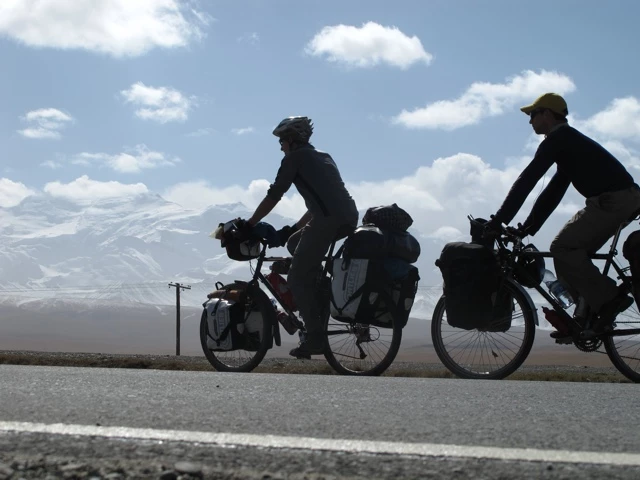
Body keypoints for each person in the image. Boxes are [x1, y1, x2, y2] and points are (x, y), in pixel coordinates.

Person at [488, 93, 640, 336]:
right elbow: (553, 192)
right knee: (568, 253)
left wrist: (498, 220)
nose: (530, 122)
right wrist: (527, 227)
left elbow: (527, 180)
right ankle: (585, 318)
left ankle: (610, 300)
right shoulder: (569, 143)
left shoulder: (557, 141)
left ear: (547, 114)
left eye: (532, 115)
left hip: (612, 201)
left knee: (562, 247)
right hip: (619, 199)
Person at [244, 116, 358, 358]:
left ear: (293, 140)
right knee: (294, 242)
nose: (280, 145)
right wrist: (294, 227)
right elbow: (322, 199)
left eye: (282, 140)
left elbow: (275, 195)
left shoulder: (294, 158)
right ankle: (317, 288)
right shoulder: (322, 155)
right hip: (345, 215)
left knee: (296, 277)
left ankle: (315, 337)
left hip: (329, 220)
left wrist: (250, 224)